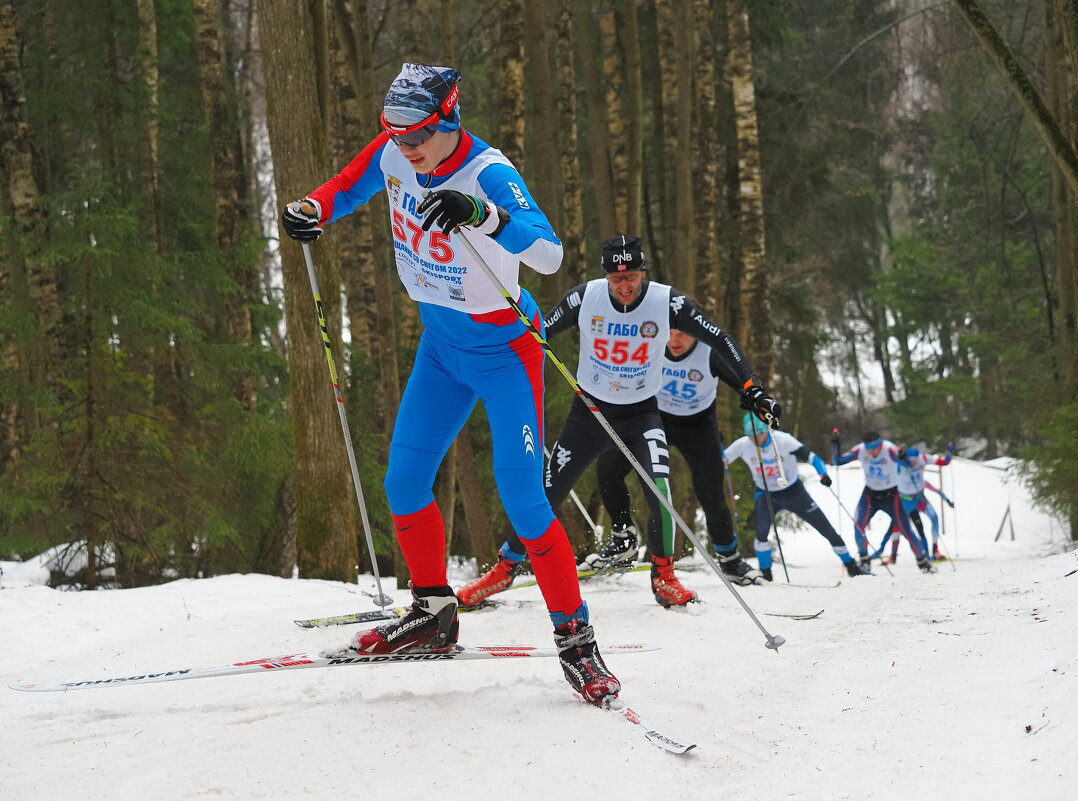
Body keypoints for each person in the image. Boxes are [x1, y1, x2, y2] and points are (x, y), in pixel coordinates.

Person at [279, 63, 618, 705]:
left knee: (523, 501)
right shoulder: (395, 152)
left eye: (416, 136)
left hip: (504, 353)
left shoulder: (488, 172)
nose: (403, 147)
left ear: (449, 120)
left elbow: (548, 254)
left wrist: (484, 215)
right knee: (403, 481)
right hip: (441, 349)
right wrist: (311, 209)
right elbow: (347, 189)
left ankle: (577, 643)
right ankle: (433, 613)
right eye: (394, 134)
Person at [456, 234, 780, 608]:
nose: (624, 287)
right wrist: (493, 360)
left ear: (643, 273)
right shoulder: (585, 297)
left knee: (659, 486)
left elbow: (721, 340)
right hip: (589, 412)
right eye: (616, 280)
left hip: (641, 413)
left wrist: (753, 387)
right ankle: (505, 567)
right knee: (546, 492)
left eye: (632, 278)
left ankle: (664, 577)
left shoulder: (668, 302)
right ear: (606, 276)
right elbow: (537, 331)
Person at [593, 330, 764, 585]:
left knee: (711, 492)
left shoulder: (709, 351)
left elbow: (743, 380)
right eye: (670, 333)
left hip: (697, 426)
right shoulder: (651, 344)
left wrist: (754, 397)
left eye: (683, 334)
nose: (675, 341)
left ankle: (730, 559)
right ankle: (623, 538)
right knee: (607, 466)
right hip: (653, 419)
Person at [724, 414, 868, 580]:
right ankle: (766, 574)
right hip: (766, 493)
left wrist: (822, 474)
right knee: (761, 533)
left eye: (759, 435)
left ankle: (851, 566)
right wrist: (717, 444)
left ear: (766, 431)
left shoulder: (783, 440)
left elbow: (812, 458)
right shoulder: (743, 444)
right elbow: (722, 459)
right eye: (751, 437)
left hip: (793, 492)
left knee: (826, 528)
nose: (755, 440)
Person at [832, 431, 936, 573]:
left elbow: (907, 465)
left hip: (891, 496)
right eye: (870, 449)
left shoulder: (889, 448)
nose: (873, 452)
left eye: (875, 448)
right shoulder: (861, 449)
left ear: (880, 444)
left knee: (907, 531)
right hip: (870, 495)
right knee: (858, 526)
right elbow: (838, 461)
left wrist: (903, 457)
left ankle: (923, 562)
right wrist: (835, 444)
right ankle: (864, 560)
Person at [882, 446, 953, 563]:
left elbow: (944, 462)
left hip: (920, 498)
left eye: (916, 459)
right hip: (905, 500)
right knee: (897, 526)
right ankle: (893, 555)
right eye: (911, 460)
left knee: (934, 518)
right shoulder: (899, 464)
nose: (914, 462)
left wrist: (949, 452)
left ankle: (935, 550)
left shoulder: (923, 458)